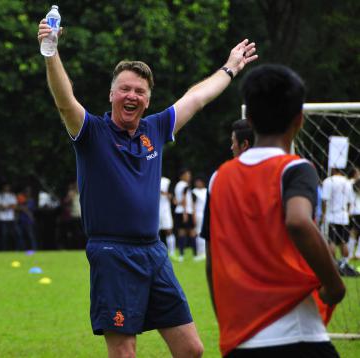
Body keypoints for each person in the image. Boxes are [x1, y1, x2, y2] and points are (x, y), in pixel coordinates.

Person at [38, 16, 257, 358]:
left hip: (154, 253)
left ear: (148, 100)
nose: (132, 95)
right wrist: (51, 52)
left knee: (191, 349)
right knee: (124, 353)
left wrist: (229, 68)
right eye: (125, 88)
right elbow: (65, 100)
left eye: (139, 91)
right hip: (112, 254)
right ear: (111, 94)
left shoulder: (155, 129)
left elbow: (197, 98)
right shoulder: (91, 132)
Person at [202, 64, 345, 357]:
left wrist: (227, 322)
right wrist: (335, 286)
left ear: (249, 119)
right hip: (297, 333)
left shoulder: (219, 178)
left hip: (242, 337)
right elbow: (298, 221)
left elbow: (212, 258)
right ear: (299, 121)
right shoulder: (295, 168)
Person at [321, 168, 355, 263]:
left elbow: (324, 199)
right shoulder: (347, 182)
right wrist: (347, 213)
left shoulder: (329, 181)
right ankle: (344, 263)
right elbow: (350, 202)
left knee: (331, 241)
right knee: (344, 241)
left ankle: (333, 262)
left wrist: (324, 214)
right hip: (344, 217)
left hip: (332, 216)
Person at [174, 169, 196, 261]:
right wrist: (185, 213)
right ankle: (194, 255)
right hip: (184, 211)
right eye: (187, 175)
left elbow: (176, 200)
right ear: (182, 176)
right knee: (189, 232)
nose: (189, 177)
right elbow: (184, 198)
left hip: (182, 211)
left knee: (184, 232)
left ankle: (182, 255)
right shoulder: (183, 185)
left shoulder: (178, 185)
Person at [0, 183, 21, 250]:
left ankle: (16, 249)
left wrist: (6, 206)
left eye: (8, 187)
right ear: (3, 188)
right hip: (2, 219)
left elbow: (15, 207)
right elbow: (0, 207)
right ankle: (3, 250)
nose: (6, 188)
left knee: (15, 235)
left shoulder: (12, 196)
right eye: (5, 187)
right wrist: (10, 206)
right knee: (3, 235)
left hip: (11, 218)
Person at [159, 177, 176, 258]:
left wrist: (164, 193)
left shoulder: (167, 181)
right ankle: (158, 252)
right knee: (155, 232)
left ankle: (172, 253)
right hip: (155, 210)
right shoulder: (152, 179)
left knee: (168, 230)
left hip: (165, 210)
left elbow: (172, 198)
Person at [191, 177, 207, 261]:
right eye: (196, 182)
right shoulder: (194, 192)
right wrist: (193, 215)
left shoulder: (206, 191)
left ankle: (203, 253)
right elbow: (193, 204)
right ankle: (200, 252)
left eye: (199, 182)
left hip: (204, 214)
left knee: (201, 233)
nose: (198, 184)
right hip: (197, 214)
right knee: (198, 233)